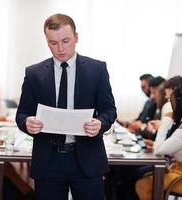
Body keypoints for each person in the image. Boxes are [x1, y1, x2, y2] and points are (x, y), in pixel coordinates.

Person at [16, 13, 117, 200]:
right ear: (47, 42)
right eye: (53, 43)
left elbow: (109, 110)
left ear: (76, 38)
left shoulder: (97, 69)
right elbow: (22, 114)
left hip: (86, 158)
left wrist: (100, 124)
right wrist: (27, 123)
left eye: (65, 41)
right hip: (48, 159)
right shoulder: (34, 73)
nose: (60, 49)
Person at [136, 86, 182, 199]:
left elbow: (158, 151)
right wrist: (155, 144)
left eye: (171, 102)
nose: (171, 107)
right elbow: (166, 148)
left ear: (180, 104)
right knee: (146, 177)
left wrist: (165, 121)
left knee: (142, 185)